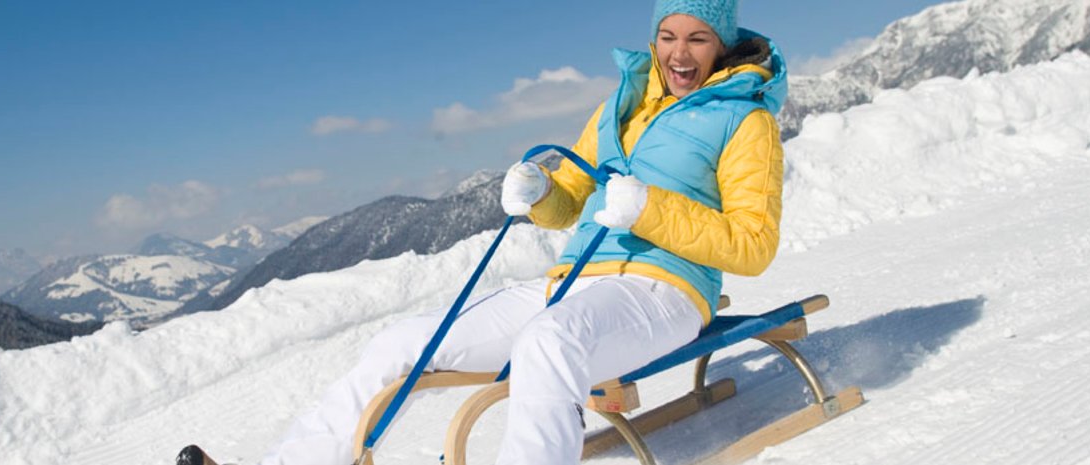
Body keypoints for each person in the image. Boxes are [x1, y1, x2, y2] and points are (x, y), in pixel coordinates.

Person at [178, 0, 785, 463]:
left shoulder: (745, 118)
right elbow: (577, 192)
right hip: (573, 282)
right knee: (402, 346)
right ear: (654, 38)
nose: (680, 53)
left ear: (721, 44)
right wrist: (542, 194)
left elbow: (752, 245)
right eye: (668, 35)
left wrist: (648, 209)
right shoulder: (622, 103)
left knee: (547, 344)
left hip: (666, 293)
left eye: (697, 38)